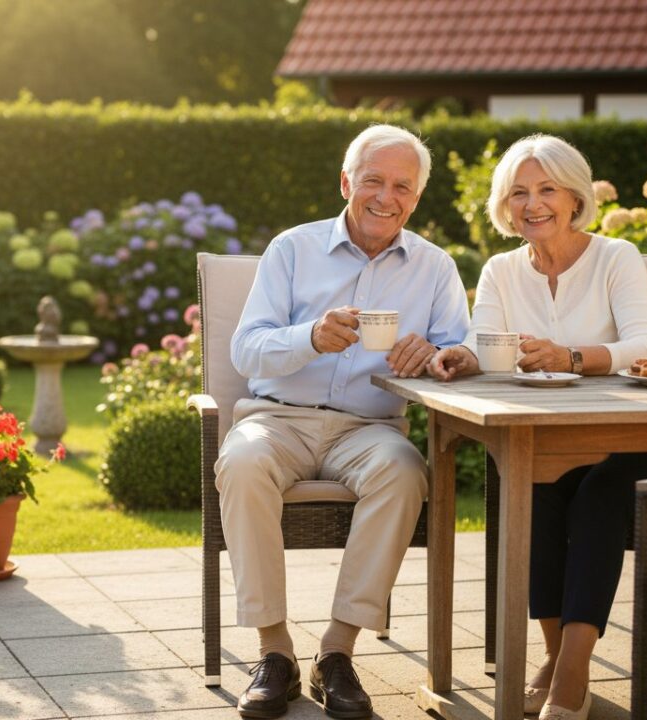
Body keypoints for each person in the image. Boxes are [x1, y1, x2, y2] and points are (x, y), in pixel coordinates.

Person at [429, 134, 647, 720]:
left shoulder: (615, 256)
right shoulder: (501, 269)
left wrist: (572, 357)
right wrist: (463, 357)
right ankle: (558, 660)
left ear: (574, 196)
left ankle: (570, 672)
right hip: (553, 440)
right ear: (505, 205)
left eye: (547, 189)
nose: (533, 204)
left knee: (598, 495)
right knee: (535, 488)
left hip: (642, 438)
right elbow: (486, 342)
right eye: (519, 192)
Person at [219, 124, 470, 719]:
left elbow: (460, 350)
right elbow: (245, 350)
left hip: (371, 428)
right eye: (373, 181)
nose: (387, 197)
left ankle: (337, 651)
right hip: (276, 420)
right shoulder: (292, 249)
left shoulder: (435, 267)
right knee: (243, 461)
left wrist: (442, 360)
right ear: (345, 183)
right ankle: (274, 651)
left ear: (416, 197)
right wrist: (309, 336)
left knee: (406, 473)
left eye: (402, 186)